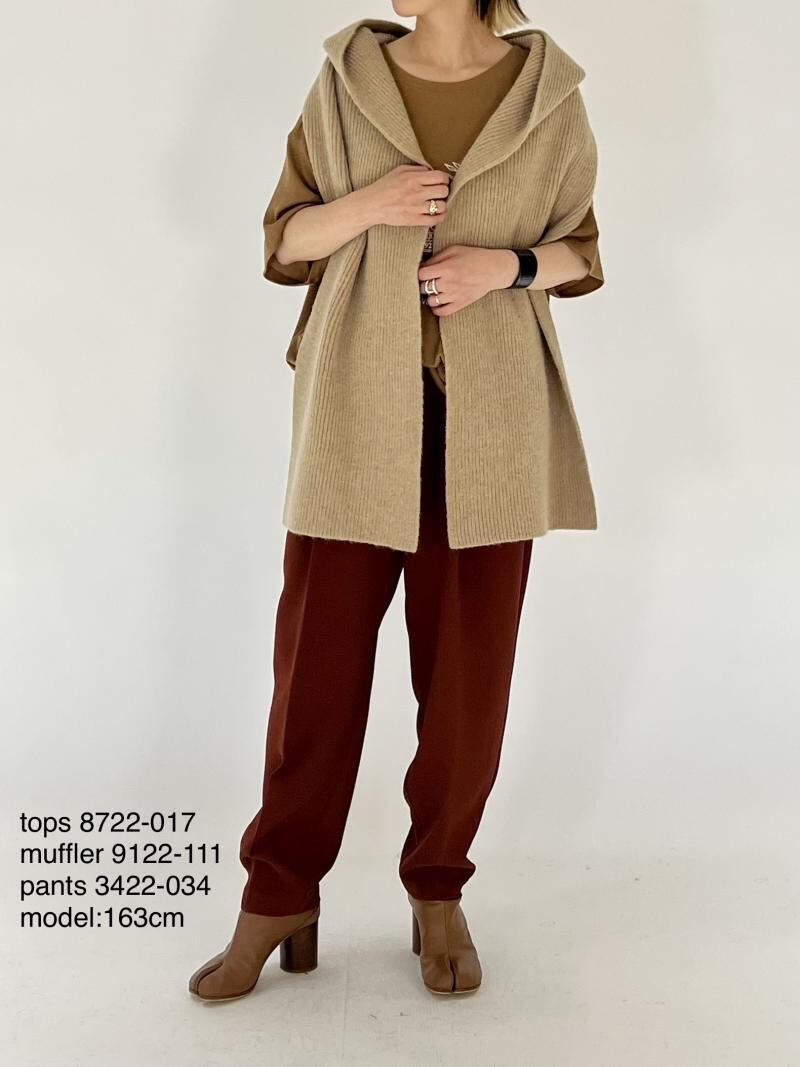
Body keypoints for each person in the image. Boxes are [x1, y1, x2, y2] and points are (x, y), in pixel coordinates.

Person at [189, 0, 604, 1000]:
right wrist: (372, 203)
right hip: (355, 413)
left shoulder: (548, 96)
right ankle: (277, 894)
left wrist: (501, 267)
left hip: (490, 425)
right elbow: (285, 238)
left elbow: (581, 250)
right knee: (314, 673)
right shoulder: (345, 82)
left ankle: (437, 890)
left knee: (467, 682)